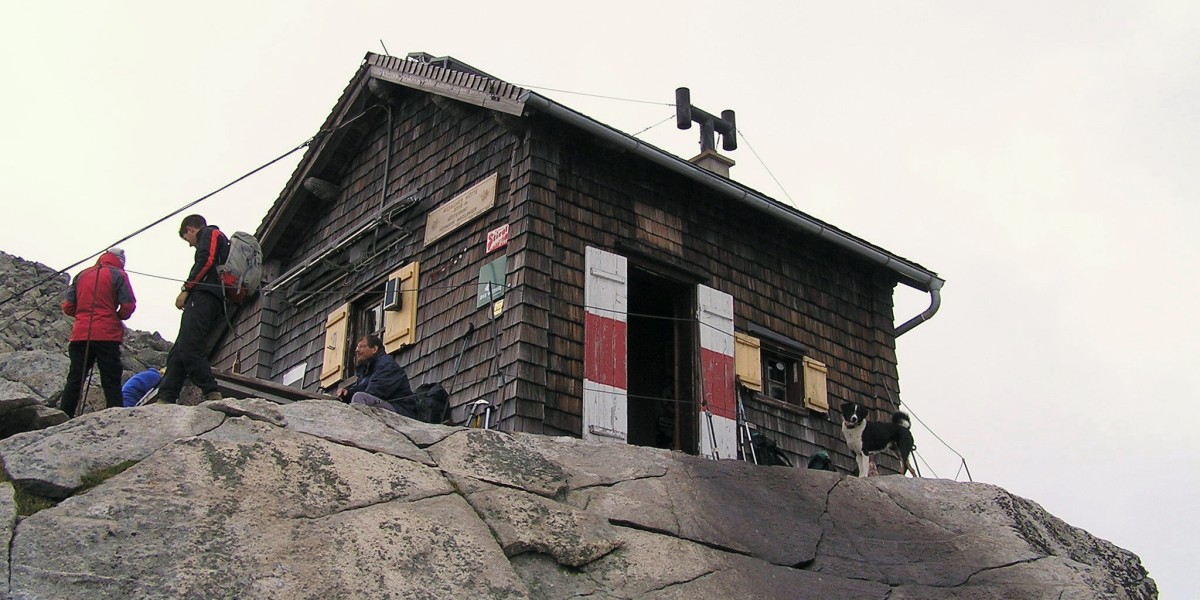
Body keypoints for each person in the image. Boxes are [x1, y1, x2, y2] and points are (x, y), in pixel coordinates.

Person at [155, 214, 228, 404]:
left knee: (189, 346)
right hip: (211, 298)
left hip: (204, 296)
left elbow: (206, 259)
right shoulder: (215, 236)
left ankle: (211, 390)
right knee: (179, 349)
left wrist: (186, 289)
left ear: (190, 229)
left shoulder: (209, 233)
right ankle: (166, 396)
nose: (189, 244)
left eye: (187, 238)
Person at [60, 248, 136, 417]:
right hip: (107, 335)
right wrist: (115, 316)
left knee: (75, 378)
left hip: (80, 335)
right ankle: (114, 417)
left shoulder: (82, 275)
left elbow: (68, 306)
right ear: (120, 260)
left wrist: (82, 316)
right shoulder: (119, 275)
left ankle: (63, 415)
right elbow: (128, 305)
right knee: (111, 380)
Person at [337, 335, 414, 417]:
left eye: (361, 347)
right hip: (386, 405)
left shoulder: (386, 364)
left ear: (374, 349)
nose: (357, 350)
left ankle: (358, 427)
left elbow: (376, 391)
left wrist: (354, 395)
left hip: (400, 410)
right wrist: (347, 393)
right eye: (357, 347)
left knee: (360, 397)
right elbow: (361, 388)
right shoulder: (368, 367)